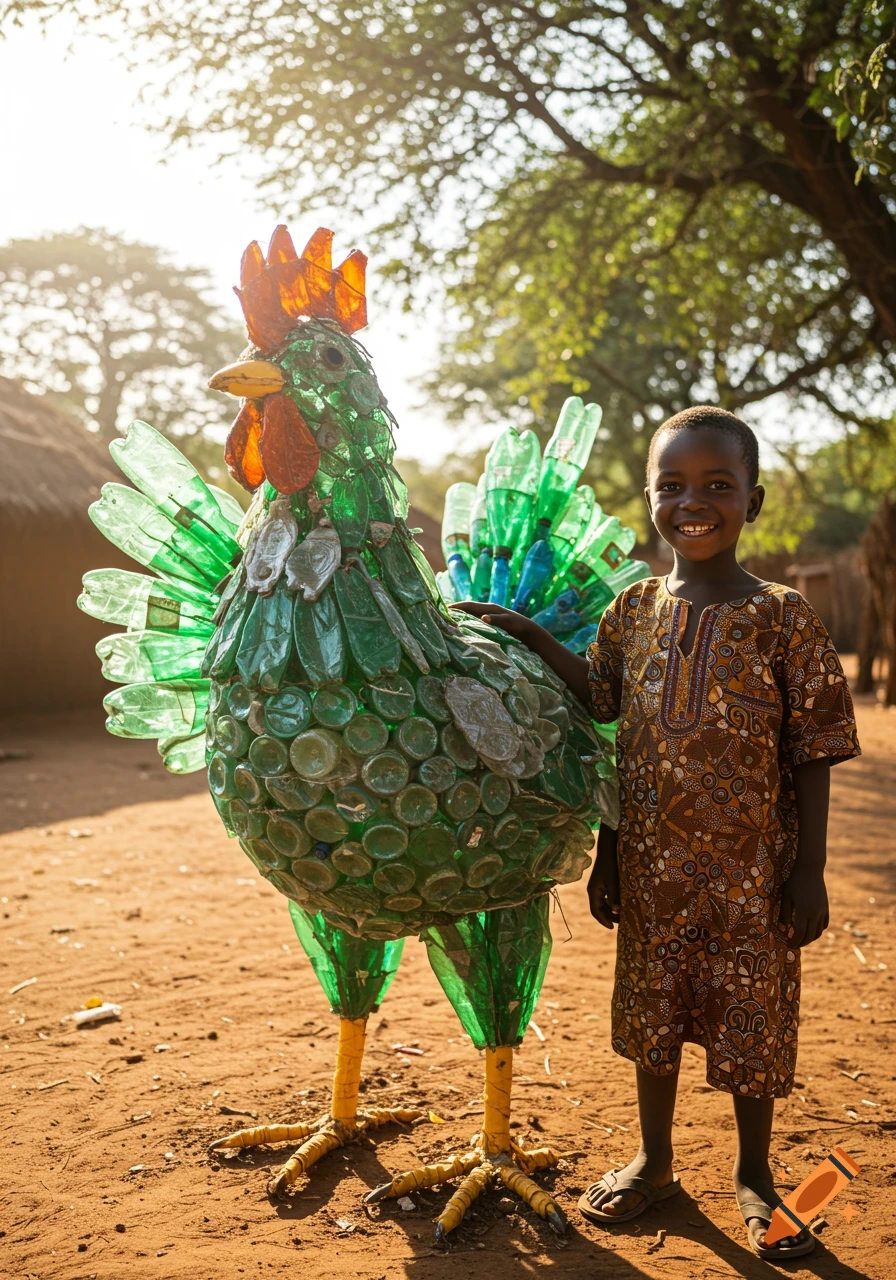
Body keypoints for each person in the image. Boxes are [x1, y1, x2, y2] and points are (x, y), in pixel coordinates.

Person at [456, 405, 860, 1259]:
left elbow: (815, 751)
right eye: (672, 485)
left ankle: (755, 1173)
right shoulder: (632, 609)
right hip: (649, 866)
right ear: (649, 498)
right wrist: (530, 635)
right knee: (654, 1013)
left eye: (718, 485)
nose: (694, 502)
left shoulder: (782, 616)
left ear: (755, 498)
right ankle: (656, 1158)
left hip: (756, 869)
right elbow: (604, 708)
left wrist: (810, 871)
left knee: (753, 1016)